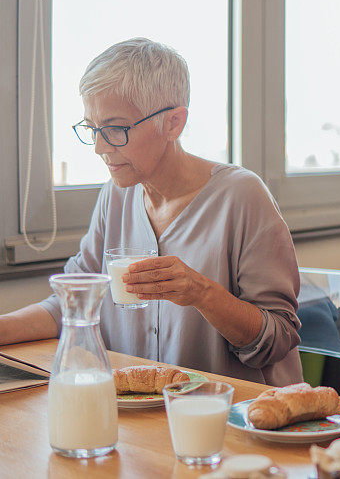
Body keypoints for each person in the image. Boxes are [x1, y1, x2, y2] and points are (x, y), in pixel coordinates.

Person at [0, 38, 302, 386]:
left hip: (228, 419)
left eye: (115, 129)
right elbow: (74, 301)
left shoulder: (242, 196)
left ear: (173, 123)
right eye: (92, 129)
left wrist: (202, 293)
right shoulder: (115, 195)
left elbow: (278, 339)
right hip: (140, 413)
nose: (99, 147)